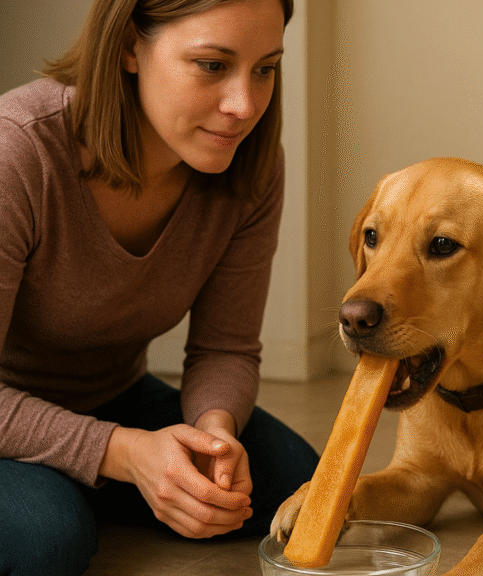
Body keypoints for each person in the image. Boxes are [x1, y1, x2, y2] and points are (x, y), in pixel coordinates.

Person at [0, 0, 320, 574]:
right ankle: (76, 488)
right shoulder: (17, 152)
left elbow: (225, 348)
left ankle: (82, 482)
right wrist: (120, 452)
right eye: (211, 65)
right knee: (47, 540)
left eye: (265, 68)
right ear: (128, 45)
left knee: (298, 485)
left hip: (111, 393)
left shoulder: (250, 164)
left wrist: (212, 435)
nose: (243, 106)